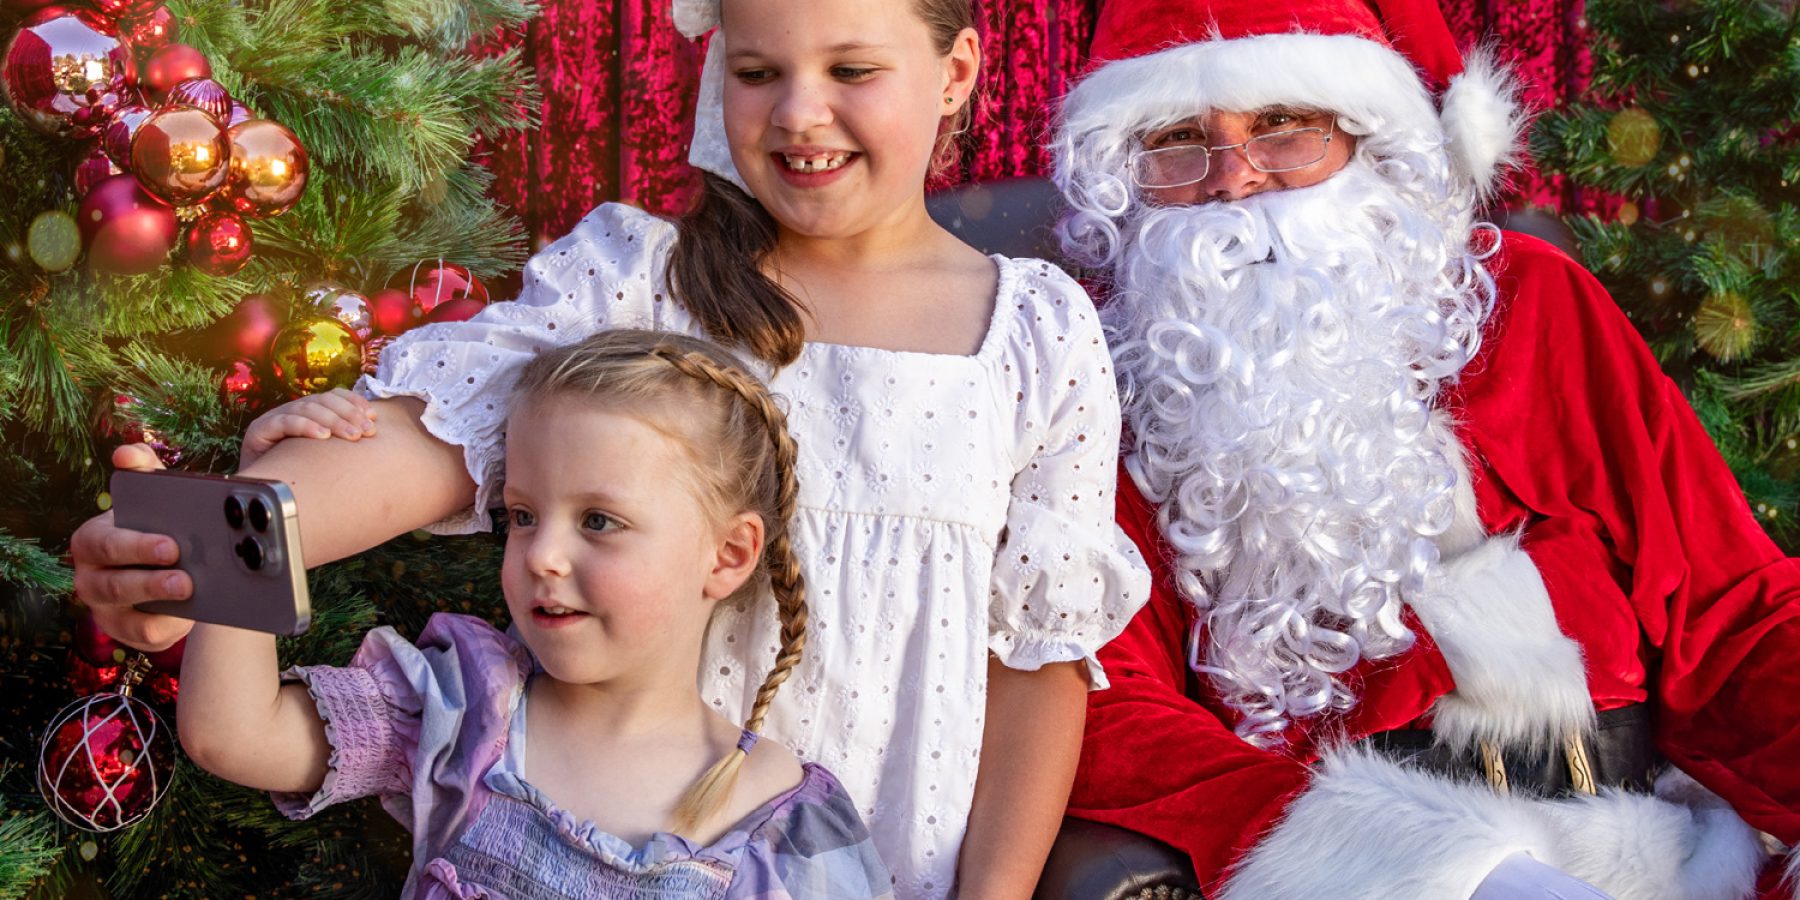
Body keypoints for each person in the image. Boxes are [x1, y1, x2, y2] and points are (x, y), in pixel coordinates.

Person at [72, 0, 1150, 895]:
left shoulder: (1037, 332)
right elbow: (430, 436)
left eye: (852, 68)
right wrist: (198, 544)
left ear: (956, 69)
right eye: (758, 69)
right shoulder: (645, 279)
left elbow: (1039, 658)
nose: (799, 113)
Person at [1049, 0, 1800, 898]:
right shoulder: (1106, 377)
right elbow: (1104, 705)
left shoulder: (1533, 301)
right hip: (1375, 872)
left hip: (1665, 853)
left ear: (1369, 139)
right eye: (1179, 140)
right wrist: (1450, 873)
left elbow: (1731, 606)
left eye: (1285, 127)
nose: (1236, 179)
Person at [177, 330, 891, 897]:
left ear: (728, 555)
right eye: (521, 515)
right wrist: (249, 517)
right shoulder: (462, 715)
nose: (542, 554)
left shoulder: (786, 830)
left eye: (600, 521)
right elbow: (232, 735)